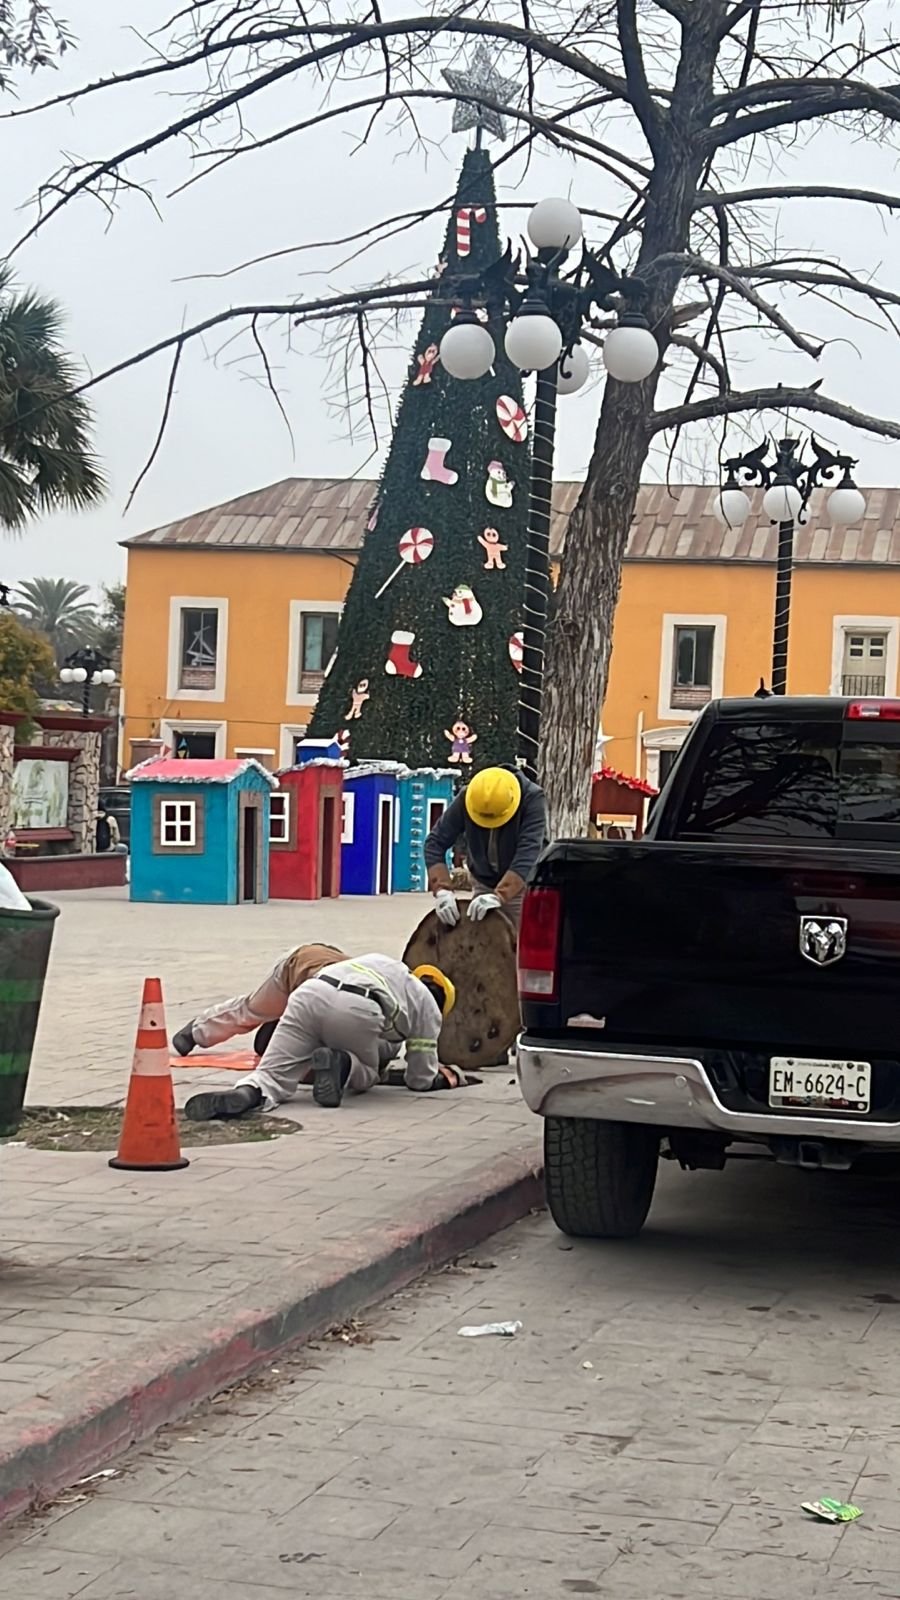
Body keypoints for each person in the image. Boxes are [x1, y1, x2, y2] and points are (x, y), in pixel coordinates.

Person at [184, 954, 468, 1120]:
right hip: (358, 1007)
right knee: (368, 1074)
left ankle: (246, 1094)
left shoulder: (388, 966)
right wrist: (444, 1078)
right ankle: (342, 1063)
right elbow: (419, 1079)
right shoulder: (429, 1008)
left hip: (309, 993)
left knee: (271, 1075)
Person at [424, 765, 547, 931]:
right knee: (481, 941)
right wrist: (442, 890)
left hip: (521, 882)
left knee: (517, 941)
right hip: (483, 879)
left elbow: (528, 852)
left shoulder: (532, 798)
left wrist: (501, 895)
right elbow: (435, 842)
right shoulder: (468, 797)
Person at [172, 943, 346, 1058]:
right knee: (252, 1010)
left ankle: (278, 1021)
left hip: (322, 975)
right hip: (294, 968)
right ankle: (195, 1031)